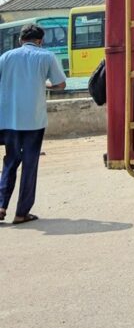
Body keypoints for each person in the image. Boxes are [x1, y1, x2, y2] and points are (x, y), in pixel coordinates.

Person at [0, 22, 66, 224]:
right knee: (30, 164)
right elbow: (60, 84)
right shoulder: (46, 56)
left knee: (10, 161)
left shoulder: (5, 57)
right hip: (33, 120)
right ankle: (21, 213)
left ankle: (1, 206)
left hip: (8, 118)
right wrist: (43, 84)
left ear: (20, 40)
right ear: (40, 40)